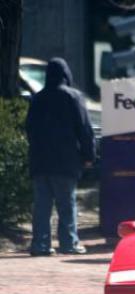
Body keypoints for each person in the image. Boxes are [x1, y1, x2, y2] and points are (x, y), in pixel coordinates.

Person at [26, 57, 95, 256]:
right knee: (67, 204)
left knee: (42, 205)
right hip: (66, 159)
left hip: (40, 160)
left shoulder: (38, 98)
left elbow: (29, 128)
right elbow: (84, 128)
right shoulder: (73, 97)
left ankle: (40, 244)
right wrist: (88, 154)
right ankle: (68, 243)